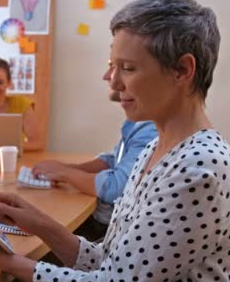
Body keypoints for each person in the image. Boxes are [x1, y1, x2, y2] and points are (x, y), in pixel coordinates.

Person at [0, 0, 230, 282]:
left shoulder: (199, 170)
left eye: (127, 68)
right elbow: (111, 262)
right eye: (111, 65)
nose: (111, 80)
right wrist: (41, 223)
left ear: (183, 70)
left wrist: (1, 259)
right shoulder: (155, 149)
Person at [32, 68, 157, 241]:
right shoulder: (138, 123)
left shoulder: (150, 129)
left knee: (36, 236)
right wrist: (66, 169)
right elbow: (113, 159)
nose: (107, 76)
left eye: (124, 67)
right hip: (106, 225)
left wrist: (65, 173)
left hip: (108, 231)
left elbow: (116, 187)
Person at [0, 58, 42, 151]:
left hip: (14, 160)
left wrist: (4, 150)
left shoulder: (21, 104)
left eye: (0, 82)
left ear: (9, 83)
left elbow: (37, 143)